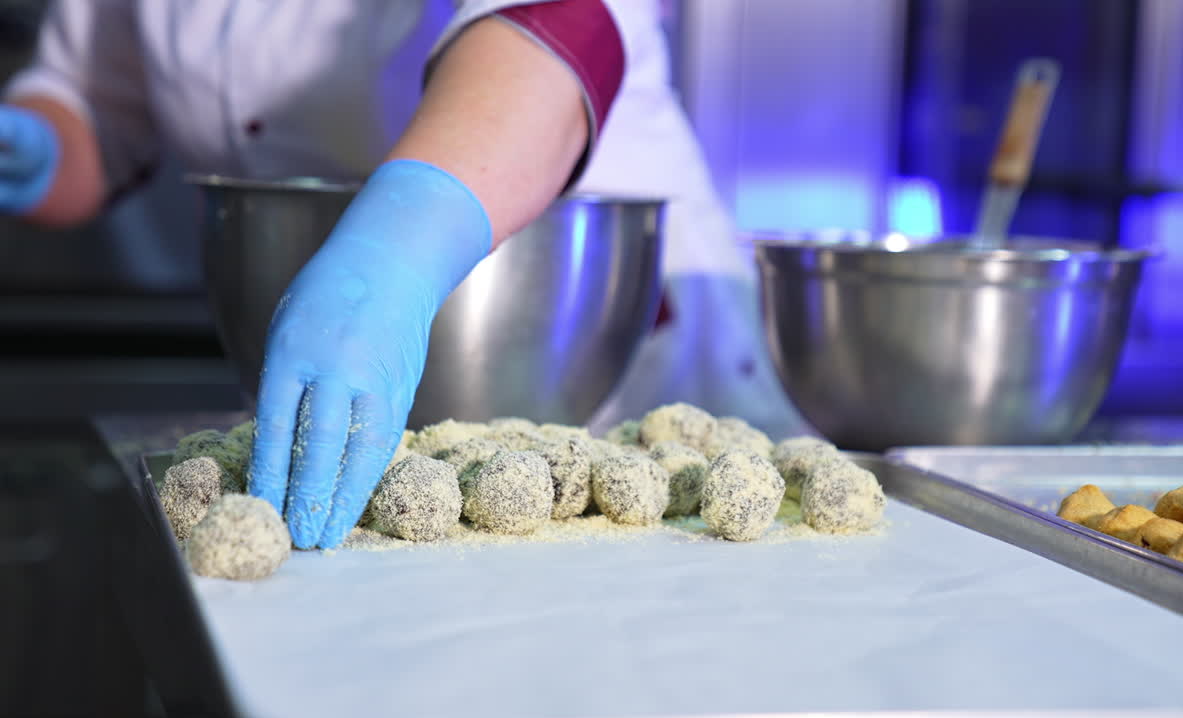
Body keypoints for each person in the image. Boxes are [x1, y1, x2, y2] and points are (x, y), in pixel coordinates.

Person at [1, 0, 804, 549]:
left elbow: (564, 18)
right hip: (332, 360)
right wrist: (37, 141)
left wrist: (392, 250)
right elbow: (97, 99)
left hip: (585, 344)